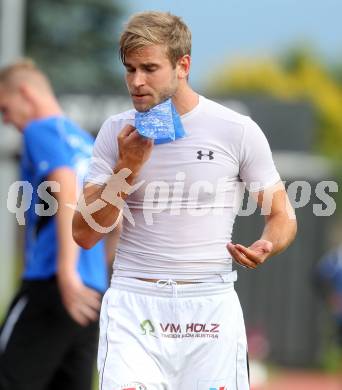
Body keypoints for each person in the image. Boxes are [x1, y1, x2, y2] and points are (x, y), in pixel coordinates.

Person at [73, 11, 297, 390]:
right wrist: (127, 168)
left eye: (149, 68)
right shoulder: (116, 131)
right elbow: (84, 233)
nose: (137, 81)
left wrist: (268, 244)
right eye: (130, 69)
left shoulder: (236, 129)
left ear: (183, 65)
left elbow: (282, 215)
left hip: (209, 306)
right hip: (135, 305)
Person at [0, 60, 118, 390]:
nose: (7, 120)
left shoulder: (41, 129)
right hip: (90, 295)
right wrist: (93, 273)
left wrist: (67, 274)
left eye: (5, 109)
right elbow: (115, 217)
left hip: (53, 285)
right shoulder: (86, 141)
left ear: (25, 93)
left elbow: (64, 183)